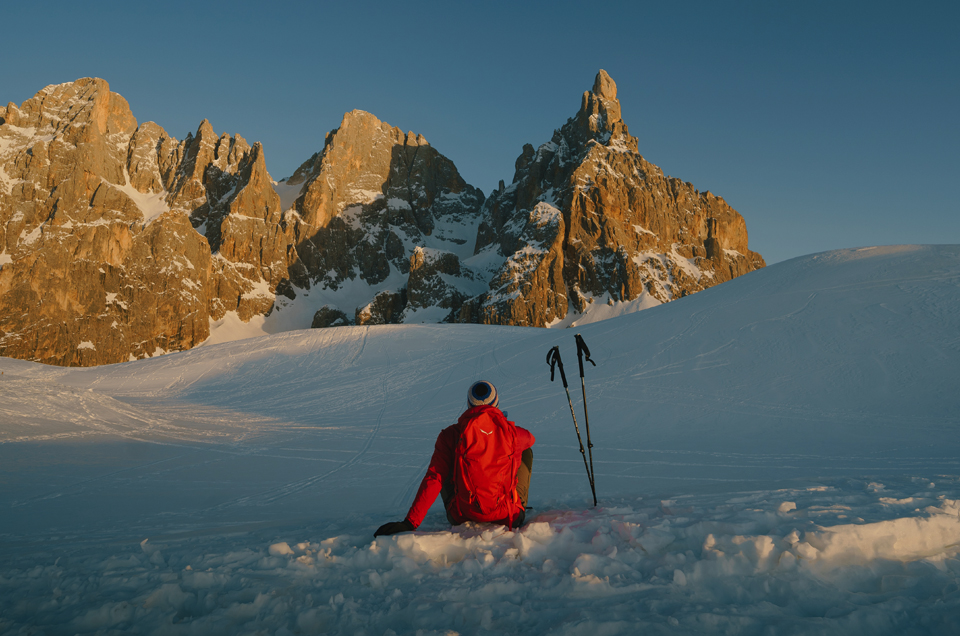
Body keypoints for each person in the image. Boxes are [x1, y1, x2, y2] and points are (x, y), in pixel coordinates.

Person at [374, 381, 535, 537]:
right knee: (525, 451)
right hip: (507, 516)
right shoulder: (512, 433)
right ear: (496, 403)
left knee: (446, 461)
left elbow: (434, 478)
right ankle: (515, 502)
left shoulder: (450, 435)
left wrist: (410, 522)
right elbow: (530, 439)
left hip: (462, 516)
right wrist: (501, 427)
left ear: (469, 405)